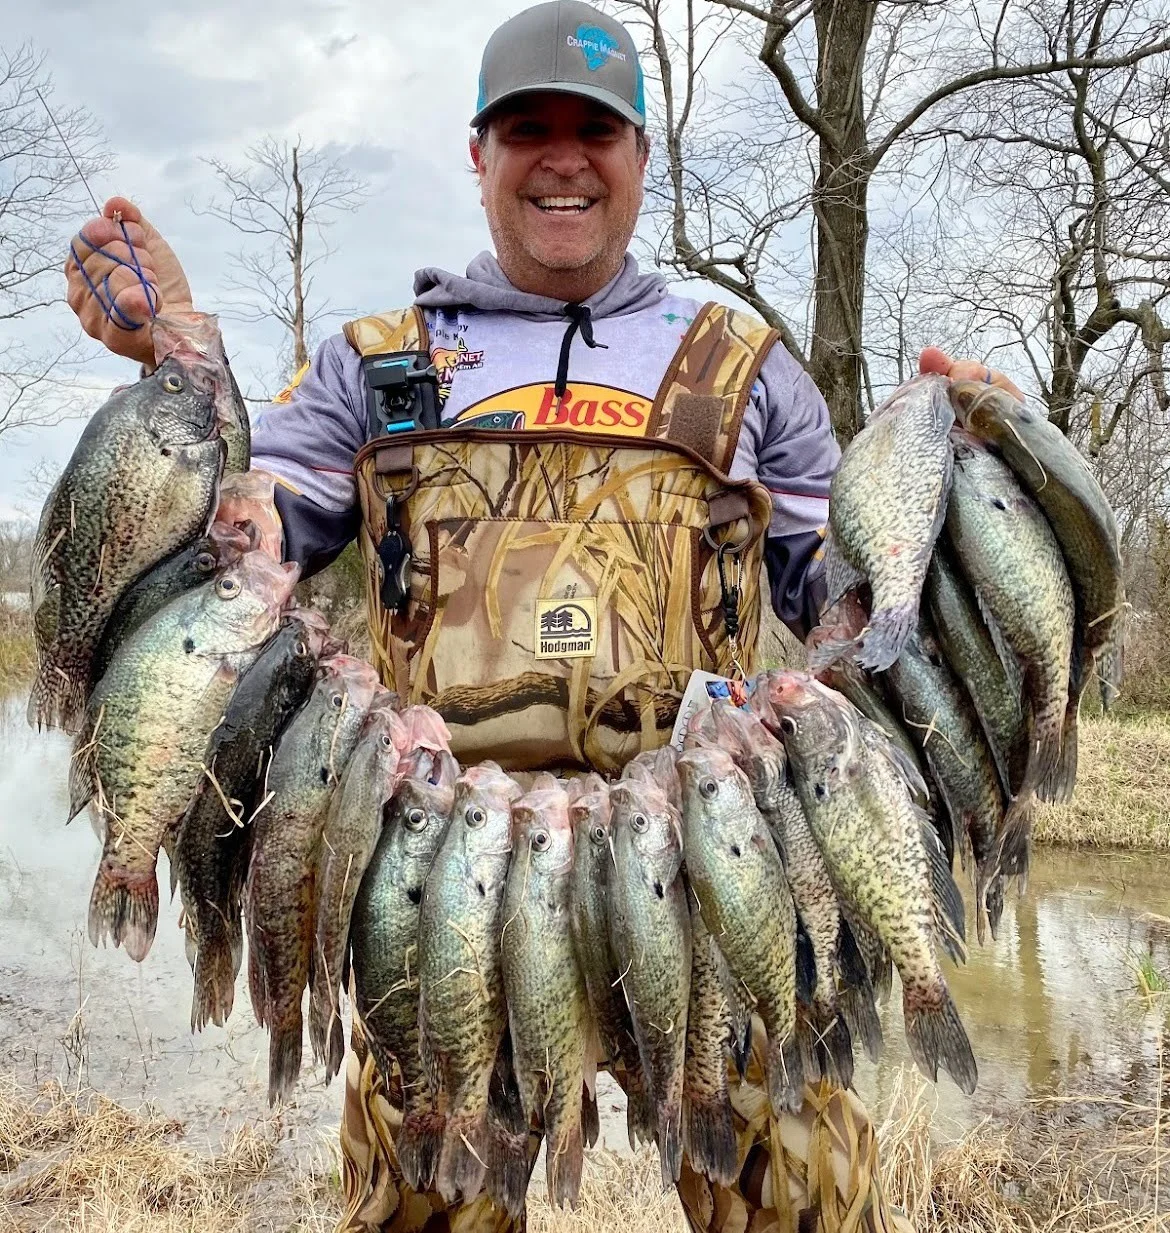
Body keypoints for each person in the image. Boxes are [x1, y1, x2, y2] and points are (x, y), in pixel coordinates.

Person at [65, 3, 1020, 1228]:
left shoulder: (741, 365)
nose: (563, 156)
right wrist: (177, 359)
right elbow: (238, 567)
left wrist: (965, 477)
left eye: (597, 129)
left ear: (639, 157)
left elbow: (850, 606)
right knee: (433, 1210)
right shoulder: (378, 363)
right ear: (479, 155)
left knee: (805, 1208)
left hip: (712, 868)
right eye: (528, 127)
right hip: (441, 876)